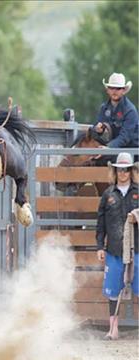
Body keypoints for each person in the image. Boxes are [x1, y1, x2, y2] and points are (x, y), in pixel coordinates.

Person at [96, 152, 139, 340]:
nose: (122, 173)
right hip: (113, 249)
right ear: (115, 171)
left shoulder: (138, 191)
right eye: (120, 170)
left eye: (126, 170)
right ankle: (113, 328)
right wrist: (99, 246)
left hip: (137, 248)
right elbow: (101, 222)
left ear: (131, 171)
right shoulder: (108, 194)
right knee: (113, 290)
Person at [93, 73, 139, 152]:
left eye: (118, 88)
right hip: (112, 148)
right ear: (107, 90)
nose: (114, 91)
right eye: (111, 88)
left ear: (123, 91)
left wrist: (109, 147)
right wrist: (97, 130)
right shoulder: (104, 108)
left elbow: (125, 137)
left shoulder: (130, 110)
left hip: (131, 151)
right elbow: (96, 126)